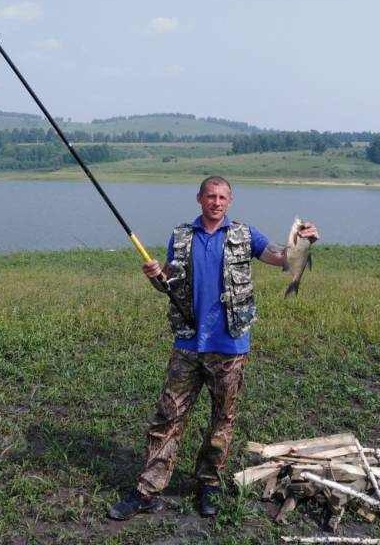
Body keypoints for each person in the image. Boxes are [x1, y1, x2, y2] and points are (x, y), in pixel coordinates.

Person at [108, 176, 319, 520]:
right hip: (188, 345)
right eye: (210, 196)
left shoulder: (246, 235)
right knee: (167, 417)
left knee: (223, 420)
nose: (216, 202)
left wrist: (304, 242)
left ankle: (208, 484)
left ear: (230, 202)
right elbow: (168, 285)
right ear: (199, 199)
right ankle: (147, 490)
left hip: (230, 346)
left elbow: (280, 258)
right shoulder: (180, 236)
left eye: (222, 197)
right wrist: (154, 276)